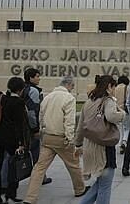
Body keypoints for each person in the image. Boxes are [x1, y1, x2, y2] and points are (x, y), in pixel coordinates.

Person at [24, 76, 89, 204]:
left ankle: (30, 198)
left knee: (39, 168)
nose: (73, 89)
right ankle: (79, 189)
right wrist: (71, 139)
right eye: (73, 86)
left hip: (47, 137)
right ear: (69, 85)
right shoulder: (69, 98)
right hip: (61, 138)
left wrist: (42, 131)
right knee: (73, 164)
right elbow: (69, 121)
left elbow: (41, 116)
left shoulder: (48, 97)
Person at [75, 75, 124, 204]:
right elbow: (111, 116)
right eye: (114, 87)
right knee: (105, 185)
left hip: (89, 146)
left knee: (100, 183)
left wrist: (78, 144)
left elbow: (80, 126)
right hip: (104, 148)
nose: (114, 90)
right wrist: (122, 114)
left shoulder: (89, 101)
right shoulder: (108, 100)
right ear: (109, 86)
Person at [0, 77, 30, 204]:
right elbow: (20, 125)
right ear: (20, 89)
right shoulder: (18, 102)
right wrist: (21, 143)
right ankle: (10, 193)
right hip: (10, 140)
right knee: (14, 166)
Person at [21, 68, 52, 186]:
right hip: (31, 128)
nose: (39, 78)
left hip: (23, 127)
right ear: (31, 78)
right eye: (37, 76)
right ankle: (40, 178)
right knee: (37, 154)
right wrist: (35, 129)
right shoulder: (33, 91)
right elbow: (33, 111)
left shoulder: (24, 89)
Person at [114, 75, 130, 154]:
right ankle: (124, 142)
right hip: (125, 111)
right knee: (127, 128)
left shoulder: (115, 89)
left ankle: (120, 145)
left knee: (120, 129)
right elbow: (129, 100)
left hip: (117, 111)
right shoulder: (127, 88)